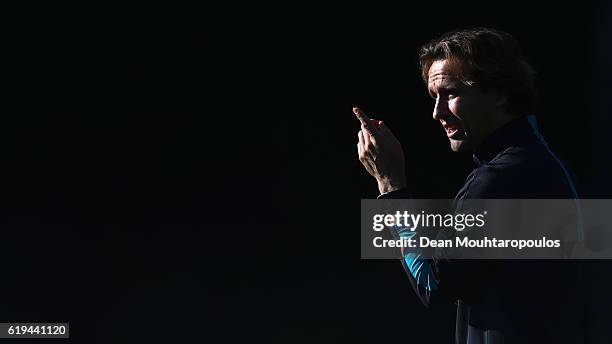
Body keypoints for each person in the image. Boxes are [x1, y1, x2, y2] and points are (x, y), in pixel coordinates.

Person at [355, 28, 584, 343]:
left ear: (501, 92)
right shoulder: (542, 163)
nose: (437, 113)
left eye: (451, 93)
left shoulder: (497, 179)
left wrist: (390, 184)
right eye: (434, 98)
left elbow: (432, 285)